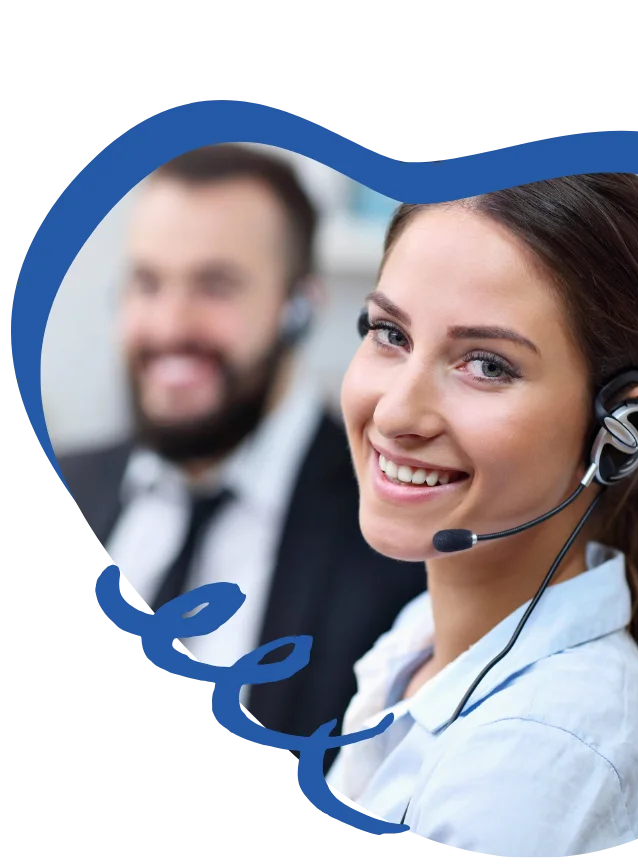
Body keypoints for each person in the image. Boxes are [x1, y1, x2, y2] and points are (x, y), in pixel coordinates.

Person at [326, 173, 638, 857]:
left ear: (620, 430)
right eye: (389, 332)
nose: (396, 413)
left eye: (486, 364)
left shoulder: (534, 762)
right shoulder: (427, 644)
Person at [58, 144, 426, 767]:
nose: (171, 325)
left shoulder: (394, 532)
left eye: (216, 286)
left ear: (300, 306)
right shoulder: (72, 480)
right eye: (147, 283)